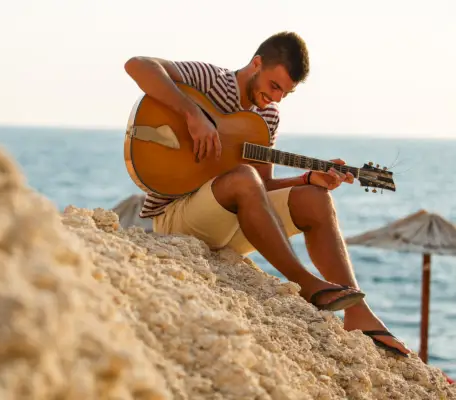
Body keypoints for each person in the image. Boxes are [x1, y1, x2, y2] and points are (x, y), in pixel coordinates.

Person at [123, 31, 410, 357]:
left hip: (228, 222)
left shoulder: (268, 117)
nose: (275, 98)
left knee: (314, 196)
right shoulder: (210, 80)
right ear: (256, 63)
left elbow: (260, 188)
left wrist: (307, 178)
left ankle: (359, 314)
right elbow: (137, 65)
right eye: (274, 86)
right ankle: (307, 283)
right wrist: (193, 114)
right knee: (243, 177)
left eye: (285, 93)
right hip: (178, 219)